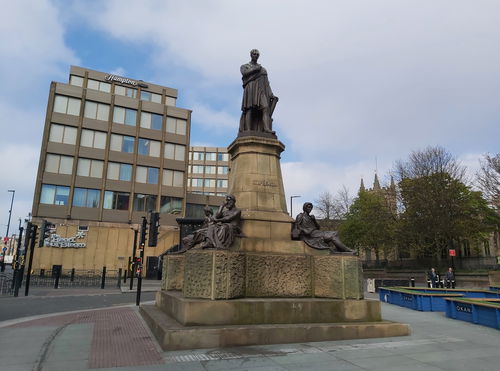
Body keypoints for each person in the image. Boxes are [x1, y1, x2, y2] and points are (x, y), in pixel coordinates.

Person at [239, 49, 278, 134]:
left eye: (257, 54)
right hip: (251, 88)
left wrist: (271, 94)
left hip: (261, 90)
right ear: (251, 55)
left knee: (265, 107)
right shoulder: (245, 66)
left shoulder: (263, 70)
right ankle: (248, 130)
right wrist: (256, 69)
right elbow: (244, 73)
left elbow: (267, 83)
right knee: (250, 108)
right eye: (254, 54)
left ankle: (266, 128)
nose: (255, 55)